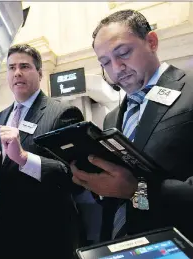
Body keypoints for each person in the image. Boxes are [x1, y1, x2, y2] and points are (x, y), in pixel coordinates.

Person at [71, 9, 193, 242]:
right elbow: (117, 192)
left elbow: (134, 188)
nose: (116, 68)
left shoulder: (189, 89)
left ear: (151, 42)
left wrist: (137, 190)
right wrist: (98, 184)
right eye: (105, 62)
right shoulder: (112, 118)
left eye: (123, 53)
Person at [0, 44, 85, 259]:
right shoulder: (2, 116)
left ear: (39, 72)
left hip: (47, 233)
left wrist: (25, 159)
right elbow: (5, 166)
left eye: (25, 66)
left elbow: (74, 175)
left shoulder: (63, 113)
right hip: (7, 229)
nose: (17, 72)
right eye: (11, 68)